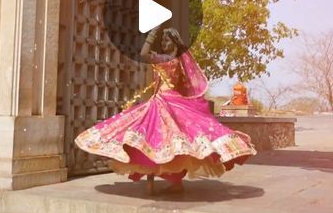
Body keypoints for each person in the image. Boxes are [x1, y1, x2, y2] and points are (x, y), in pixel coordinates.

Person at [75, 27, 257, 195]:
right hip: (161, 100)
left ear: (175, 42)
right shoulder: (172, 59)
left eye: (167, 41)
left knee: (171, 142)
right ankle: (173, 181)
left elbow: (146, 55)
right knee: (159, 140)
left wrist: (153, 31)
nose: (163, 44)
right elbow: (146, 55)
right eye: (162, 41)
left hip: (170, 102)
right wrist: (154, 34)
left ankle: (174, 182)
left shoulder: (171, 60)